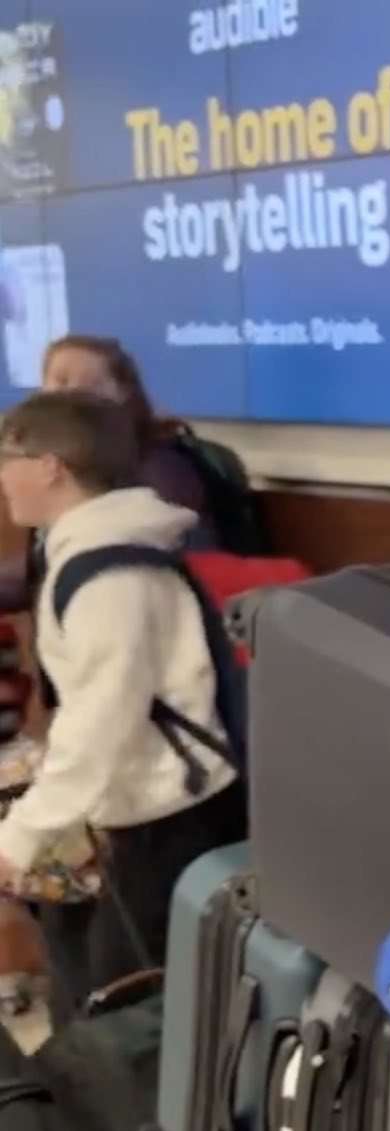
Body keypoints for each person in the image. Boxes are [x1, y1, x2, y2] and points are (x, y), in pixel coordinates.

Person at [0, 390, 243, 1014]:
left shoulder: (111, 576)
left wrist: (19, 841)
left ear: (51, 464)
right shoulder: (84, 550)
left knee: (137, 1013)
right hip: (139, 810)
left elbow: (101, 723)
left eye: (7, 457)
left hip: (169, 818)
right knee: (99, 993)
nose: (2, 476)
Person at [0, 334, 212, 615]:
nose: (72, 393)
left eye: (91, 384)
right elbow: (38, 569)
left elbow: (137, 566)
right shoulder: (49, 467)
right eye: (61, 381)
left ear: (124, 393)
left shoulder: (160, 467)